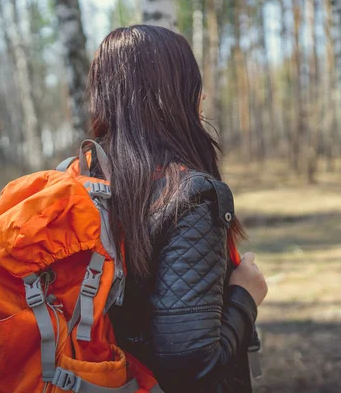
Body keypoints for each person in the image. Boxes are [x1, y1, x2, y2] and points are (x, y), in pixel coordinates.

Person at [87, 25, 268, 392]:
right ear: (176, 96)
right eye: (193, 85)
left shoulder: (88, 183)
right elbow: (191, 365)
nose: (202, 98)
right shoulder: (190, 196)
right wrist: (247, 294)